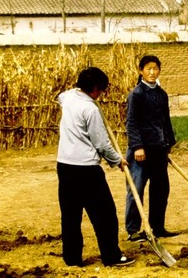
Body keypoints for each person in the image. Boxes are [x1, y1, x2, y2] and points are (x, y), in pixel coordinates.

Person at [56, 67, 134, 268]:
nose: (101, 94)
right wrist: (118, 160)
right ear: (95, 88)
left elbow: (60, 96)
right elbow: (101, 143)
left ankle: (72, 258)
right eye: (101, 89)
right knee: (105, 214)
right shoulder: (90, 109)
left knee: (70, 215)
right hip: (86, 169)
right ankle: (112, 256)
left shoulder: (69, 97)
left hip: (64, 165)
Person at [125, 55, 178, 242]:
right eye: (148, 68)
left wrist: (169, 142)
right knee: (136, 189)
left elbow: (165, 120)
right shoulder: (136, 94)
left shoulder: (161, 94)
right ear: (141, 71)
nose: (152, 72)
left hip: (158, 149)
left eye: (155, 68)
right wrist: (137, 147)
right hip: (141, 151)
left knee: (161, 188)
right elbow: (131, 123)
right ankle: (133, 231)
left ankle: (157, 227)